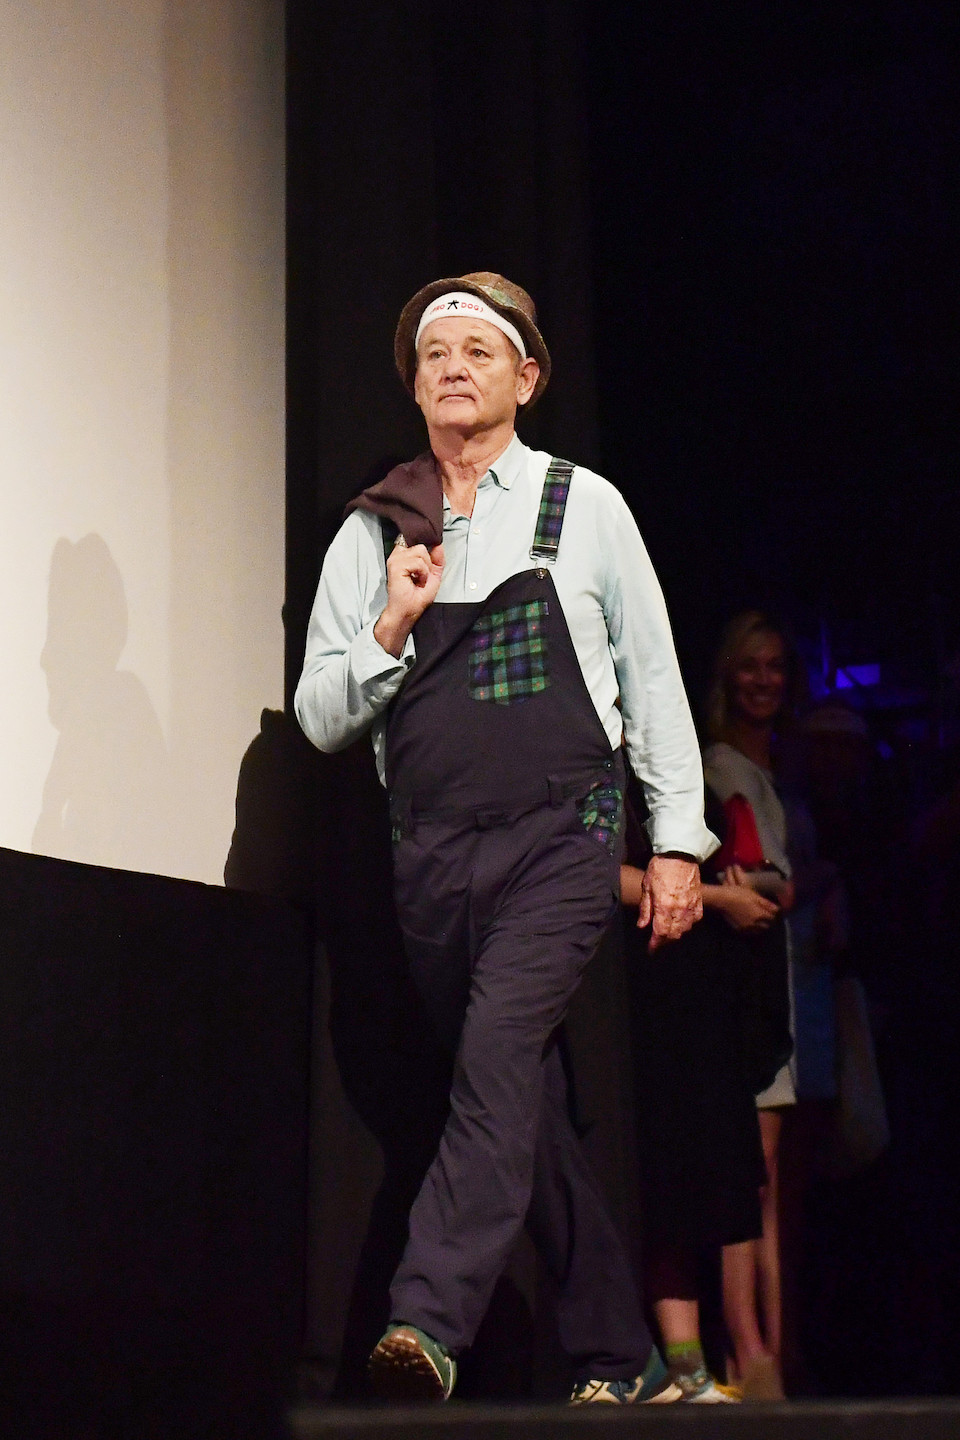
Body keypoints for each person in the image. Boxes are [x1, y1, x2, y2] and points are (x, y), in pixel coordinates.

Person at [295, 272, 716, 1404]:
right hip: (431, 854)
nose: (453, 368)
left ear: (525, 378)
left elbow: (653, 677)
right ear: (414, 384)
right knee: (514, 1101)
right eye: (435, 353)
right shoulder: (374, 529)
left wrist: (677, 844)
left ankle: (425, 1321)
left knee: (492, 1064)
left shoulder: (587, 507)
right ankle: (619, 1356)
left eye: (478, 351)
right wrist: (391, 623)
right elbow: (322, 717)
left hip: (561, 837)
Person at [620, 784, 782, 1404]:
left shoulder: (689, 782)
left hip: (698, 1000)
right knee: (662, 1190)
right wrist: (719, 899)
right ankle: (676, 1367)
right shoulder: (605, 777)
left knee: (697, 1193)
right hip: (640, 993)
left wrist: (741, 891)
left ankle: (697, 1368)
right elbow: (600, 876)